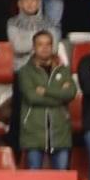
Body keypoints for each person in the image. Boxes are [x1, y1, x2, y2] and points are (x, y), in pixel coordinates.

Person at [17, 32, 78, 170]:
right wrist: (60, 96)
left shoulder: (63, 70)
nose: (44, 48)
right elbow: (32, 98)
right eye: (40, 44)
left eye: (48, 44)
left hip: (60, 133)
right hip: (33, 133)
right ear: (33, 47)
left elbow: (71, 93)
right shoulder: (25, 72)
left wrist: (46, 91)